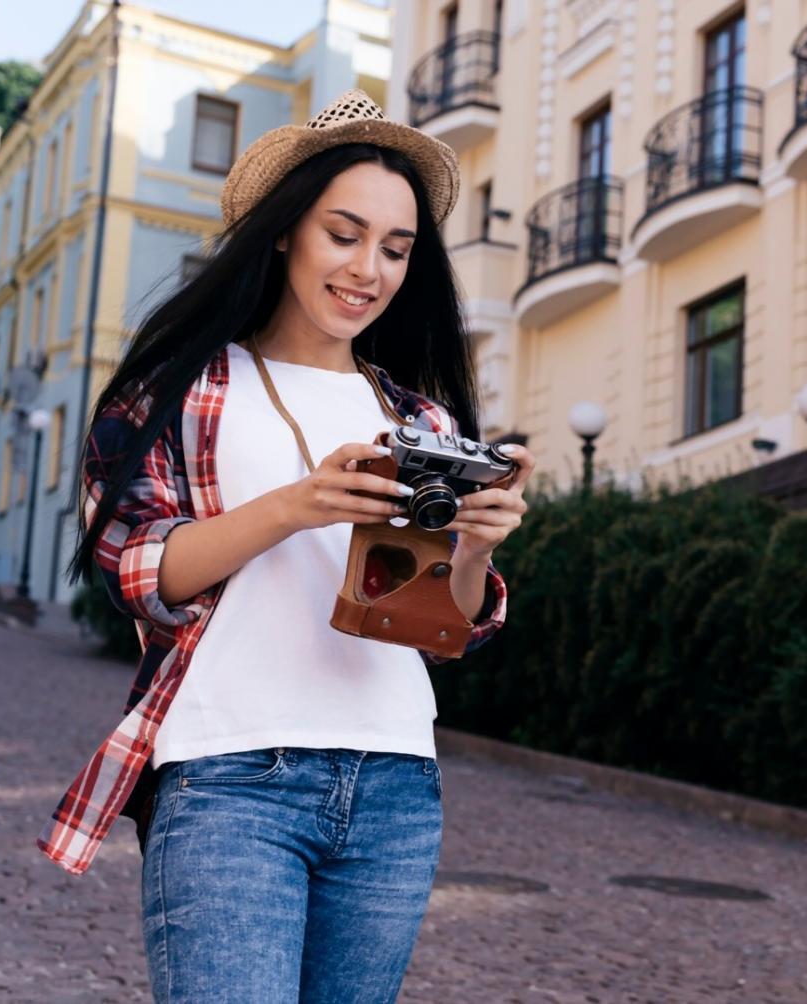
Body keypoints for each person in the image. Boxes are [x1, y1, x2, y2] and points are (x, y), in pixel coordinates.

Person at [36, 90, 533, 1002]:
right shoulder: (183, 388)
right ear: (282, 232)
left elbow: (439, 628)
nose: (369, 269)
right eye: (343, 234)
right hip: (231, 776)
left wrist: (471, 555)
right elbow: (136, 572)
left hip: (393, 782)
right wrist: (297, 505)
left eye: (394, 248)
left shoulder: (417, 418)